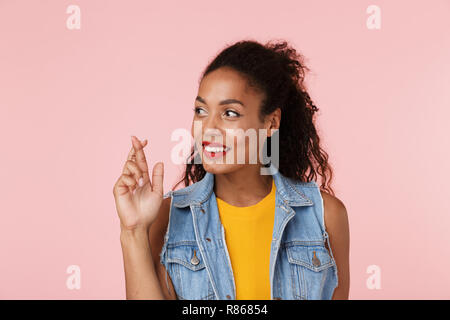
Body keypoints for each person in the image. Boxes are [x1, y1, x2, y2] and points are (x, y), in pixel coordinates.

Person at [113, 39, 350, 300]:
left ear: (271, 123)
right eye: (201, 110)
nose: (209, 127)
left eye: (230, 113)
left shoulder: (325, 216)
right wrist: (132, 231)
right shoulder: (165, 219)